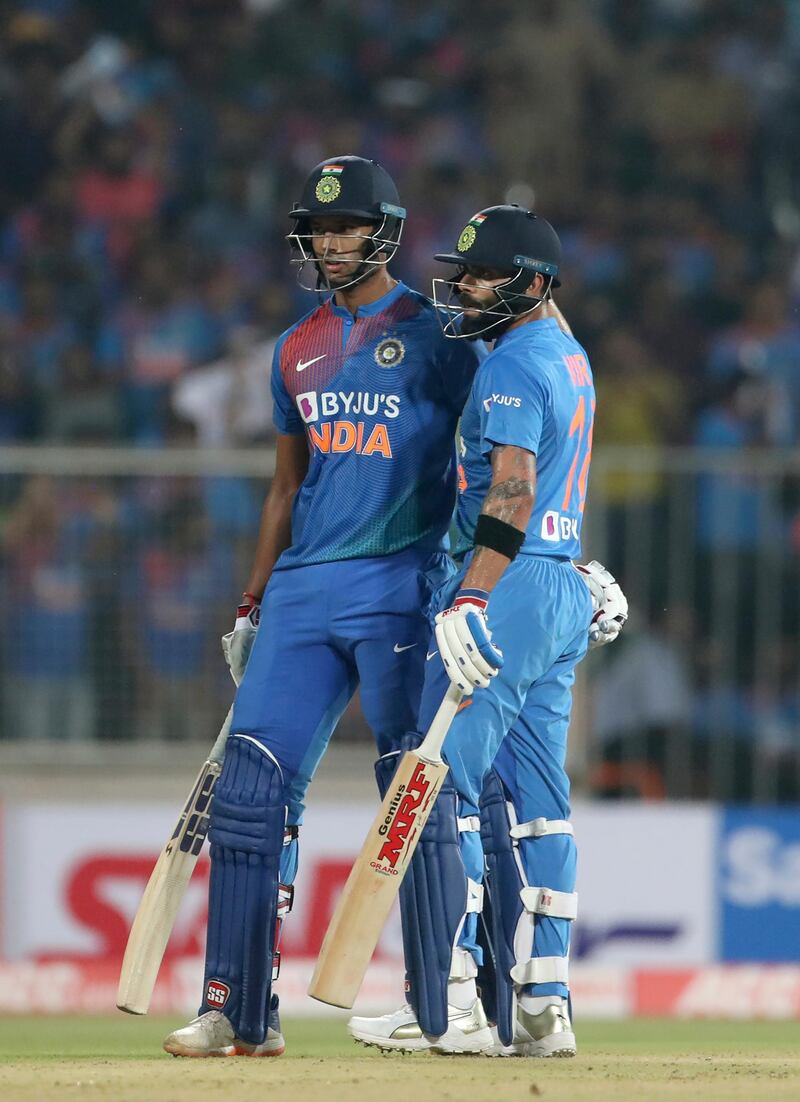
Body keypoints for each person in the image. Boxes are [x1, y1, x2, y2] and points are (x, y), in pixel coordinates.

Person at [162, 156, 483, 1057]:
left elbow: (493, 456)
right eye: (319, 230)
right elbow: (283, 488)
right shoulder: (295, 346)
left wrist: (473, 574)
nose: (332, 243)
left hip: (402, 581)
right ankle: (236, 1009)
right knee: (250, 794)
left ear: (384, 230)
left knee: (409, 794)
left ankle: (435, 1007)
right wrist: (252, 600)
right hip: (303, 590)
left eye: (348, 228)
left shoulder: (440, 335)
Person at [349, 205, 617, 1057]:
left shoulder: (506, 367)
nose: (462, 286)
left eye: (482, 275)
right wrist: (569, 565)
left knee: (443, 788)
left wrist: (472, 598)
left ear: (532, 285)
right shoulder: (568, 357)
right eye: (461, 271)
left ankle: (456, 1002)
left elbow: (511, 489)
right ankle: (545, 1004)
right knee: (544, 807)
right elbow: (552, 492)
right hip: (559, 587)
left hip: (502, 586)